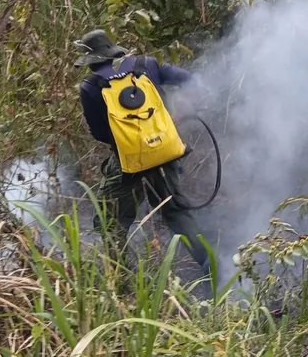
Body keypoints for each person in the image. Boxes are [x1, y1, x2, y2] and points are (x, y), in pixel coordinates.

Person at [75, 29, 209, 271]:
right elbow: (192, 80)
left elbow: (99, 133)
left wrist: (130, 139)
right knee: (176, 213)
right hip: (166, 149)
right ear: (111, 48)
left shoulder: (90, 87)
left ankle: (121, 279)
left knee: (110, 220)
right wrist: (175, 116)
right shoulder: (146, 64)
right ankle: (213, 269)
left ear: (90, 60)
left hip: (128, 160)